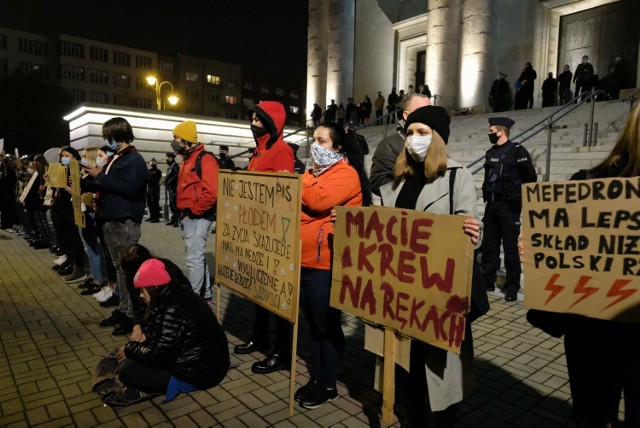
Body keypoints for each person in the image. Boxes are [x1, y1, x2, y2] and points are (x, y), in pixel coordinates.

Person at [522, 103, 640, 426]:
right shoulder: (586, 184)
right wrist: (539, 249)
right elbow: (557, 252)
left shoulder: (588, 181)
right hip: (595, 334)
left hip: (594, 336)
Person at [378, 106, 481, 426]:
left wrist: (473, 233)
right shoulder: (398, 181)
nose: (413, 139)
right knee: (409, 371)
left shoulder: (456, 176)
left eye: (422, 132)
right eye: (409, 133)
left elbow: (470, 231)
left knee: (437, 375)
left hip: (438, 296)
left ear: (437, 137)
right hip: (403, 293)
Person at [294, 121, 371, 409]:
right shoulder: (317, 173)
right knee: (314, 324)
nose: (315, 146)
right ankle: (319, 376)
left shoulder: (345, 173)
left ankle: (328, 383)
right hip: (306, 260)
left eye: (322, 141)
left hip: (325, 263)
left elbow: (315, 201)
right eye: (313, 140)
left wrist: (301, 179)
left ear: (337, 146)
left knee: (326, 324)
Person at [234, 101, 295, 375]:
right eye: (253, 118)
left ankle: (282, 351)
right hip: (256, 233)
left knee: (277, 295)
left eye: (260, 119)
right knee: (257, 292)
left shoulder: (281, 150)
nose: (254, 123)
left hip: (274, 236)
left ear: (272, 122)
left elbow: (283, 194)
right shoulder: (258, 152)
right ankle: (259, 337)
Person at [116, 257, 230, 401]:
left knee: (127, 371)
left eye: (142, 291)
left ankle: (166, 387)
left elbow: (159, 358)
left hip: (198, 374)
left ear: (154, 287)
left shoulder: (172, 309)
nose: (140, 295)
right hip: (211, 365)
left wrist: (130, 348)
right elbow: (165, 334)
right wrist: (143, 340)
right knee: (134, 355)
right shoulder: (177, 291)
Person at [83, 116, 148, 336]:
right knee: (119, 269)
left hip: (124, 220)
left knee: (129, 271)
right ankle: (123, 309)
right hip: (110, 219)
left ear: (115, 134)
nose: (106, 139)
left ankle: (133, 315)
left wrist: (100, 176)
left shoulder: (134, 159)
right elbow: (108, 183)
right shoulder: (116, 158)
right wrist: (89, 178)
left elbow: (129, 188)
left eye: (107, 135)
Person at [480, 117, 537, 302]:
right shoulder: (490, 153)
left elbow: (530, 177)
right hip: (492, 206)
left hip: (509, 208)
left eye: (491, 131)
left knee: (511, 249)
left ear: (501, 132)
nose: (489, 134)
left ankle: (512, 286)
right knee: (489, 246)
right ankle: (488, 281)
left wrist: (520, 199)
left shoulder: (517, 151)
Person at [170, 120, 219, 300]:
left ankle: (193, 299)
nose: (173, 141)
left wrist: (195, 211)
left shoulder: (205, 158)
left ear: (185, 139)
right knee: (197, 257)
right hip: (188, 216)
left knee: (193, 260)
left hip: (197, 217)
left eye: (176, 137)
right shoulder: (188, 159)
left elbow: (212, 191)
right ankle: (204, 294)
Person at [369, 93, 432, 196]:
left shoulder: (435, 140)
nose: (428, 117)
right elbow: (378, 182)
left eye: (431, 112)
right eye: (421, 112)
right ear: (406, 115)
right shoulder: (388, 145)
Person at [164, 152, 179, 227]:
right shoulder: (169, 167)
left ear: (172, 158)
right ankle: (173, 219)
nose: (166, 160)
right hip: (170, 188)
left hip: (174, 188)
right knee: (171, 205)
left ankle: (177, 220)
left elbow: (177, 175)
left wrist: (170, 181)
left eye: (168, 158)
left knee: (175, 205)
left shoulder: (175, 166)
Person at [145, 158, 161, 223]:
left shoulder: (158, 171)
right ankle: (151, 216)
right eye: (151, 162)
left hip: (155, 189)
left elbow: (154, 179)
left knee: (154, 203)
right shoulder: (149, 171)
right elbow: (146, 178)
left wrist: (149, 179)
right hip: (149, 188)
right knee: (149, 203)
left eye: (154, 162)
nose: (152, 163)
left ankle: (156, 218)